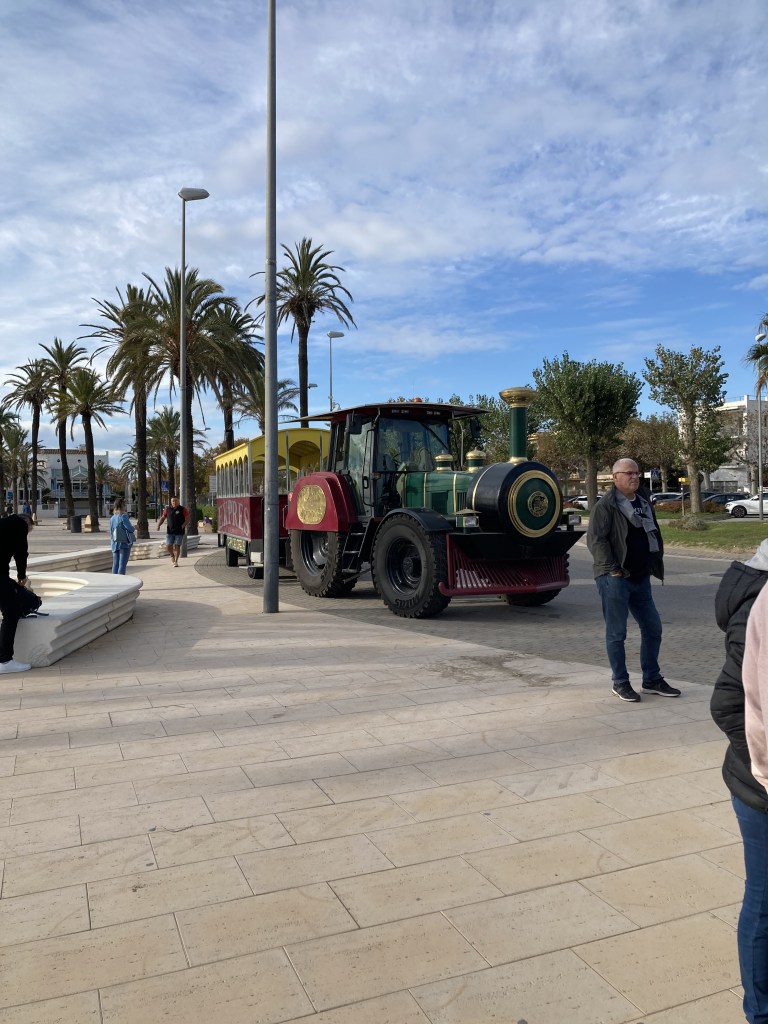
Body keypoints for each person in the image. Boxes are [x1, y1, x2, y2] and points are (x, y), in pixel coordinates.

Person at [712, 539, 768, 1024]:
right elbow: (728, 704)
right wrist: (763, 771)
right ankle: (760, 1011)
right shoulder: (759, 602)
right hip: (761, 790)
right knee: (764, 901)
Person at [586, 457, 680, 702]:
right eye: (629, 473)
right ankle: (620, 682)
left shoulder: (644, 500)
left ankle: (652, 679)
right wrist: (613, 569)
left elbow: (652, 533)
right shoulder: (606, 506)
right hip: (615, 578)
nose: (635, 477)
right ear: (615, 477)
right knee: (617, 633)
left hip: (640, 577)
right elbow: (596, 540)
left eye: (637, 473)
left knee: (653, 628)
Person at [0, 512, 34, 674]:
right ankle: (5, 661)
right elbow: (21, 553)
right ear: (27, 523)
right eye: (29, 531)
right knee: (11, 612)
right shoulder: (20, 525)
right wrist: (21, 576)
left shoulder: (4, 523)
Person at [157, 495, 189, 566]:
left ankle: (176, 561)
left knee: (177, 546)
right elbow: (163, 518)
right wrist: (159, 525)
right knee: (168, 546)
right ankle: (172, 556)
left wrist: (182, 526)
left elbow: (187, 519)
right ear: (171, 502)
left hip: (179, 531)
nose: (174, 502)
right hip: (170, 531)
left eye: (176, 501)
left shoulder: (183, 509)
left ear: (178, 501)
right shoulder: (167, 509)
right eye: (173, 501)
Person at [109, 497, 135, 575]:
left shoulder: (112, 518)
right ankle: (121, 579)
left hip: (114, 543)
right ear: (123, 506)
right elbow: (130, 529)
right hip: (124, 543)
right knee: (122, 565)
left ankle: (114, 579)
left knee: (115, 564)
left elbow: (111, 532)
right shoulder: (123, 516)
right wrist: (135, 527)